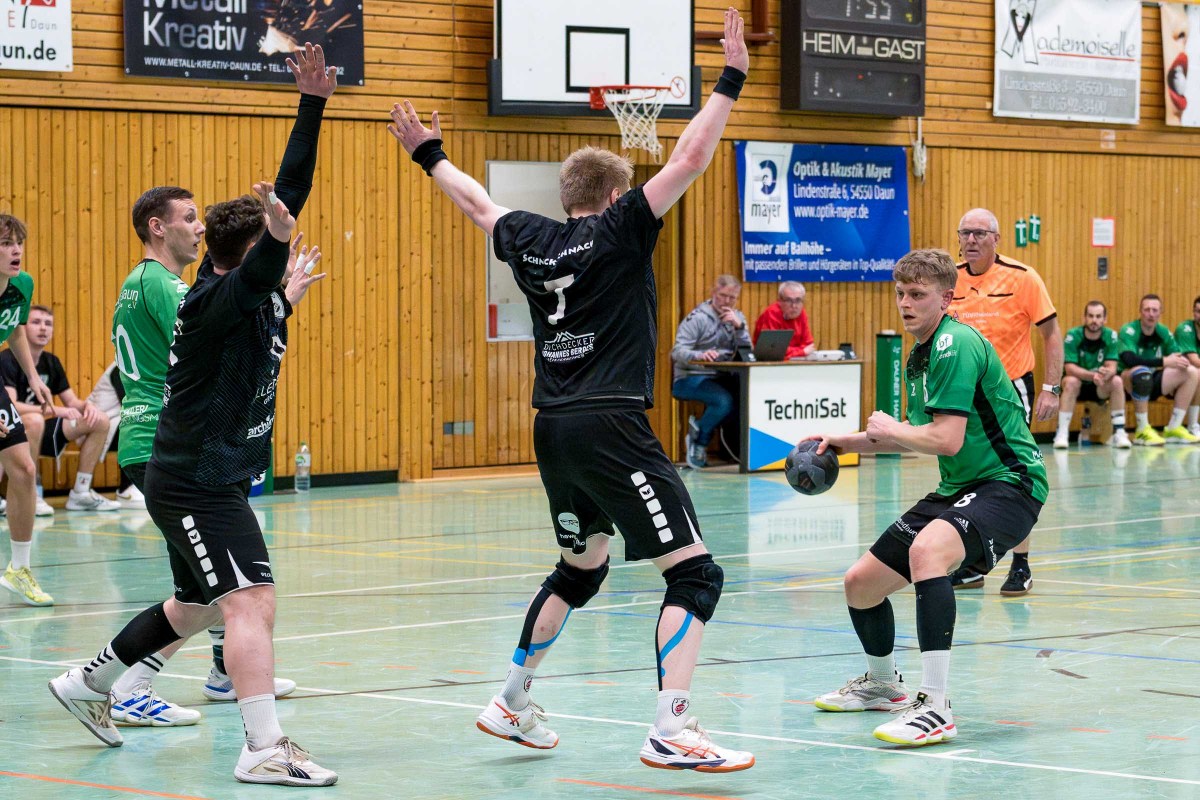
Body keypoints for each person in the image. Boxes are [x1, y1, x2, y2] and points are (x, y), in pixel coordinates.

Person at [389, 7, 754, 773]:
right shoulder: (623, 228)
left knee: (580, 569)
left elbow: (476, 203)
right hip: (611, 424)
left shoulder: (532, 237)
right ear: (618, 194)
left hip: (552, 427)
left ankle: (511, 699)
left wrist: (429, 154)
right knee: (695, 573)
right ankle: (671, 728)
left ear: (567, 197)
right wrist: (729, 78)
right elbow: (690, 157)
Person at [50, 43, 336, 786]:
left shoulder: (251, 300)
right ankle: (263, 747)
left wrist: (284, 298)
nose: (283, 248)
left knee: (198, 602)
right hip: (193, 477)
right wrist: (310, 107)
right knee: (250, 600)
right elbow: (283, 213)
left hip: (211, 471)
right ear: (250, 260)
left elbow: (279, 228)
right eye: (271, 247)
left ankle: (89, 682)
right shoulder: (219, 296)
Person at [807, 248, 1047, 747]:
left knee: (927, 552)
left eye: (917, 294)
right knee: (861, 584)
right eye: (900, 293)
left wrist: (892, 427)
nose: (905, 303)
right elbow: (917, 434)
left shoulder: (955, 344)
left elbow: (947, 439)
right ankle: (882, 685)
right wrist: (845, 442)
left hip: (1011, 482)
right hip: (960, 487)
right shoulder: (922, 352)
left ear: (946, 298)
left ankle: (935, 706)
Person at [947, 208, 1062, 597]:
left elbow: (1051, 334)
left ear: (996, 239)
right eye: (965, 232)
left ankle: (1021, 563)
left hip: (1010, 389)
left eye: (980, 233)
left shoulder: (1023, 277)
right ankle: (970, 565)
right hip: (962, 391)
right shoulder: (950, 280)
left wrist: (1052, 387)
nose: (971, 240)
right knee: (967, 471)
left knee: (1012, 474)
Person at [0, 305, 121, 511]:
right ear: (22, 328)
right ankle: (31, 493)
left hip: (45, 429)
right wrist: (56, 411)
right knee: (35, 421)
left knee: (100, 420)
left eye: (48, 324)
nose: (43, 328)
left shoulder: (52, 362)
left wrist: (88, 407)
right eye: (36, 322)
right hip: (13, 429)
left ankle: (81, 492)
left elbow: (71, 402)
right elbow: (12, 408)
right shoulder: (7, 359)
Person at [0, 214, 56, 606]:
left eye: (18, 242)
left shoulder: (21, 284)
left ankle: (19, 568)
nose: (15, 250)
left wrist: (34, 378)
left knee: (23, 469)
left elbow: (15, 328)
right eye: (5, 244)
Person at [671, 275, 750, 468]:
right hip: (690, 377)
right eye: (723, 295)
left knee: (746, 397)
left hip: (722, 376)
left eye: (732, 298)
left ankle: (739, 451)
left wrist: (739, 328)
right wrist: (700, 355)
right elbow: (677, 351)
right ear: (714, 293)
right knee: (723, 401)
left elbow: (748, 352)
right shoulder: (697, 318)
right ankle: (699, 439)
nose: (727, 301)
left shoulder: (737, 318)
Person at [1117, 294, 1200, 445]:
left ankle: (1174, 427)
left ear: (1160, 312)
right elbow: (1129, 360)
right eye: (1147, 310)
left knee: (1192, 372)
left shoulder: (1163, 332)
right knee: (1142, 371)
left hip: (1153, 379)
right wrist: (1164, 361)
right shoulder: (1129, 330)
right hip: (1127, 384)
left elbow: (1177, 357)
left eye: (1155, 310)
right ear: (1140, 311)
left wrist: (1178, 362)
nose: (1151, 314)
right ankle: (1142, 430)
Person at [1053, 301, 1131, 449]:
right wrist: (1092, 375)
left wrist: (1107, 373)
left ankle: (1119, 432)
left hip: (1099, 385)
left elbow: (1112, 366)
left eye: (1098, 316)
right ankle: (1061, 433)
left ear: (1104, 319)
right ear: (1084, 318)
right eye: (1090, 316)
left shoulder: (1111, 335)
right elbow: (1069, 368)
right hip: (1078, 385)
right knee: (1070, 381)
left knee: (1117, 381)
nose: (1094, 320)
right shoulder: (1073, 335)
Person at [83, 361, 146, 509]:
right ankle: (127, 488)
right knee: (137, 422)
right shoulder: (122, 366)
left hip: (113, 425)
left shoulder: (144, 365)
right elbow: (131, 404)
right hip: (95, 427)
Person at [752, 281, 815, 360]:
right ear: (780, 301)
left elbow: (809, 346)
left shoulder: (801, 313)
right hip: (768, 363)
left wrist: (793, 352)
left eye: (798, 300)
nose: (794, 306)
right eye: (789, 300)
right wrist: (801, 351)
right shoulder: (771, 314)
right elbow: (772, 351)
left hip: (794, 361)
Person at [1172, 294, 1200, 437]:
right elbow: (1195, 361)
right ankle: (1193, 425)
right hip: (1178, 377)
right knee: (1198, 373)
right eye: (1198, 311)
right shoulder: (1185, 329)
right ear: (1193, 312)